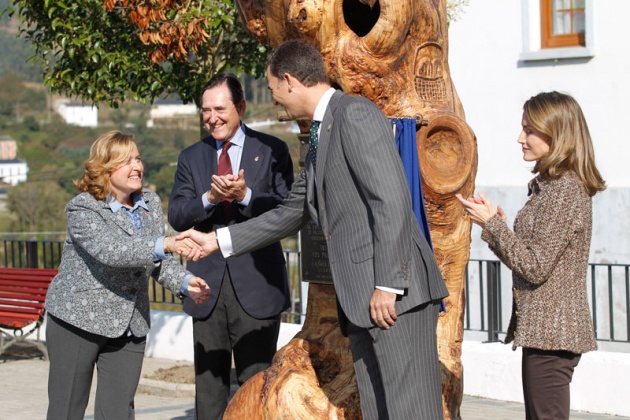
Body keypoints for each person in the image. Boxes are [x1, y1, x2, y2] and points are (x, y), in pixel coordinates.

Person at [177, 40, 449, 420]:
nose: (276, 104)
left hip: (394, 297)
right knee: (378, 411)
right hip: (363, 301)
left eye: (274, 93)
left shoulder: (354, 114)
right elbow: (290, 213)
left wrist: (388, 284)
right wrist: (216, 241)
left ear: (290, 81)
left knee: (410, 413)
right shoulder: (320, 135)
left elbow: (391, 201)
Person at [457, 91, 606, 420]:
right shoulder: (551, 186)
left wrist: (494, 225)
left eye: (529, 130)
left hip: (554, 335)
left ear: (557, 134)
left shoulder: (564, 189)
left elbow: (535, 267)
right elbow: (532, 257)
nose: (520, 138)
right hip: (546, 335)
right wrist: (495, 227)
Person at [44, 131, 210, 420]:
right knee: (66, 409)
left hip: (130, 326)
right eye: (126, 161)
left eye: (138, 158)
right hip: (77, 322)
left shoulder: (151, 202)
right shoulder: (82, 207)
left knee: (118, 412)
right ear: (105, 168)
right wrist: (166, 243)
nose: (137, 167)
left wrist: (184, 282)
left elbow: (157, 260)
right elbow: (112, 251)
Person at [168, 73, 294, 419]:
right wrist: (209, 198)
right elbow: (178, 215)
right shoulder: (191, 157)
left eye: (220, 109)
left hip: (257, 286)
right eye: (205, 110)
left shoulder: (272, 150)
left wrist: (245, 196)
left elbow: (288, 212)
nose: (212, 118)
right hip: (206, 288)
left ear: (240, 107)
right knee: (209, 393)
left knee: (255, 389)